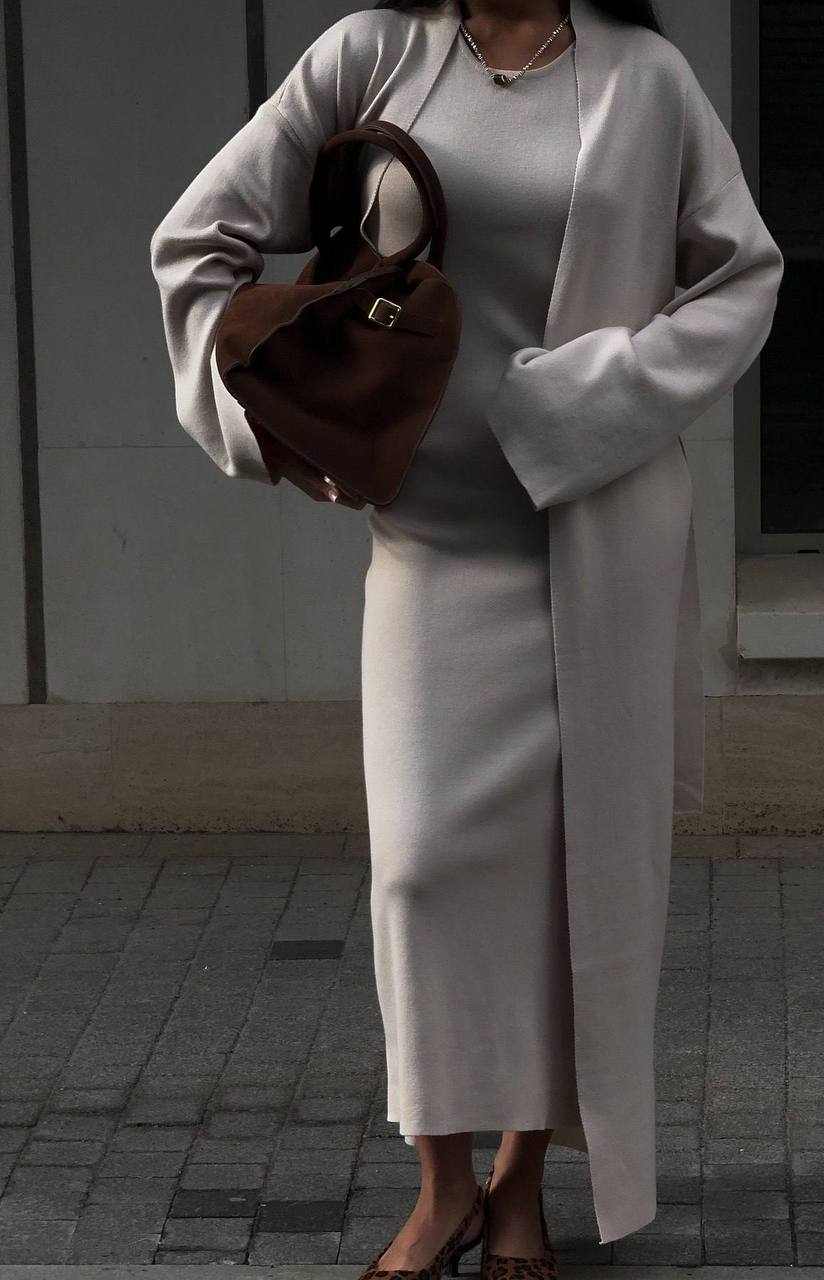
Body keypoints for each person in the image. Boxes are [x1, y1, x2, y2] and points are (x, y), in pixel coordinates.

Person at [149, 0, 785, 1274]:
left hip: (587, 528)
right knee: (423, 865)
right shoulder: (371, 55)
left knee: (570, 877)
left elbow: (742, 276)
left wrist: (589, 399)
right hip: (432, 545)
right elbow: (197, 240)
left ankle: (518, 1182)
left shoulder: (645, 79)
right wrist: (284, 423)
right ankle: (440, 1180)